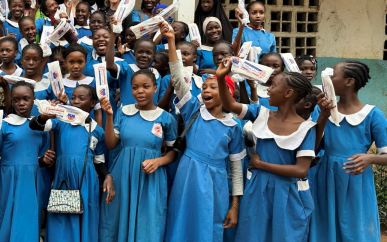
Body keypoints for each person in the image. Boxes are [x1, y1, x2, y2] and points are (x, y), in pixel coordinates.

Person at [216, 58, 321, 242]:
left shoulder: (306, 128)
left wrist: (261, 164)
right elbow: (230, 105)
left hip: (288, 195)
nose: (269, 89)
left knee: (285, 236)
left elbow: (301, 170)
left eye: (273, 85)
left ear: (288, 93)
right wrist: (220, 78)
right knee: (253, 235)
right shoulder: (261, 113)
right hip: (258, 190)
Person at [163, 23, 245, 242]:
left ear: (228, 94)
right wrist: (171, 41)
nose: (206, 90)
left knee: (208, 227)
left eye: (213, 87)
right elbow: (178, 79)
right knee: (181, 223)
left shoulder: (233, 128)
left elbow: (236, 170)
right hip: (187, 176)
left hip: (215, 183)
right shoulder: (193, 111)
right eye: (204, 87)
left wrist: (234, 205)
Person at [310, 61, 387, 242]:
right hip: (324, 177)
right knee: (324, 226)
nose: (327, 78)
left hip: (355, 179)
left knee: (355, 227)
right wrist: (322, 116)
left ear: (349, 81)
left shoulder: (373, 115)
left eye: (333, 75)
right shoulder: (321, 110)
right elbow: (311, 147)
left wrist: (370, 158)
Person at [99, 69, 178, 242]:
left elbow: (173, 153)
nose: (140, 91)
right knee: (117, 221)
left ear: (155, 88)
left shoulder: (166, 118)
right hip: (123, 176)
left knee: (148, 223)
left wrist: (158, 161)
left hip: (151, 179)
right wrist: (109, 117)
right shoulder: (123, 112)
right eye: (135, 87)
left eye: (145, 86)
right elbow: (112, 145)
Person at [30, 85, 114, 242]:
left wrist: (107, 175)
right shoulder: (61, 122)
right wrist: (45, 116)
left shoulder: (97, 130)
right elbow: (34, 125)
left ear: (92, 103)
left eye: (81, 98)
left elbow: (99, 160)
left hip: (86, 182)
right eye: (73, 97)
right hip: (64, 179)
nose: (75, 101)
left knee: (85, 215)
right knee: (61, 216)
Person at [0, 82, 55, 242]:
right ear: (11, 102)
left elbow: (40, 159)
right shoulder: (4, 124)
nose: (21, 103)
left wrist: (45, 160)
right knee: (7, 216)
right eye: (16, 100)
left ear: (34, 99)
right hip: (9, 177)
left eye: (26, 99)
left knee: (29, 216)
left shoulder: (41, 126)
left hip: (31, 179)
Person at [62, 44, 103, 126]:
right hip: (66, 128)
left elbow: (98, 112)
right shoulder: (60, 84)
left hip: (89, 128)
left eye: (80, 62)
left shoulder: (93, 82)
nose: (76, 66)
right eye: (71, 62)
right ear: (65, 62)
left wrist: (98, 133)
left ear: (85, 61)